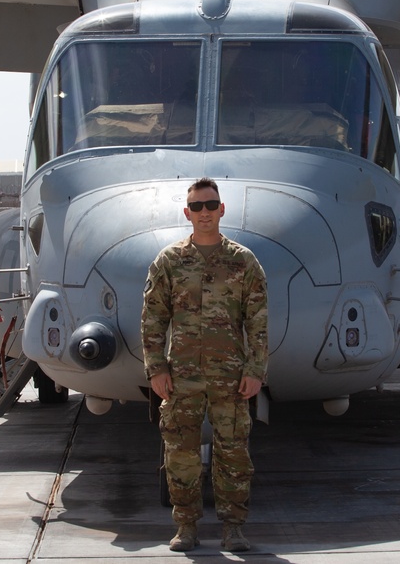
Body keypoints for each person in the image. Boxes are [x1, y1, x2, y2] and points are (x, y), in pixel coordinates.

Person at [141, 177, 269, 553]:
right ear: (187, 213)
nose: (204, 213)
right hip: (182, 376)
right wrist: (156, 369)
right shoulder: (170, 261)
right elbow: (152, 318)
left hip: (230, 376)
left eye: (211, 205)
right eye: (197, 207)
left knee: (233, 454)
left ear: (222, 209)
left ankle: (233, 528)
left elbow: (258, 321)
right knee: (180, 453)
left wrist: (255, 370)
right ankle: (186, 526)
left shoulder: (244, 262)